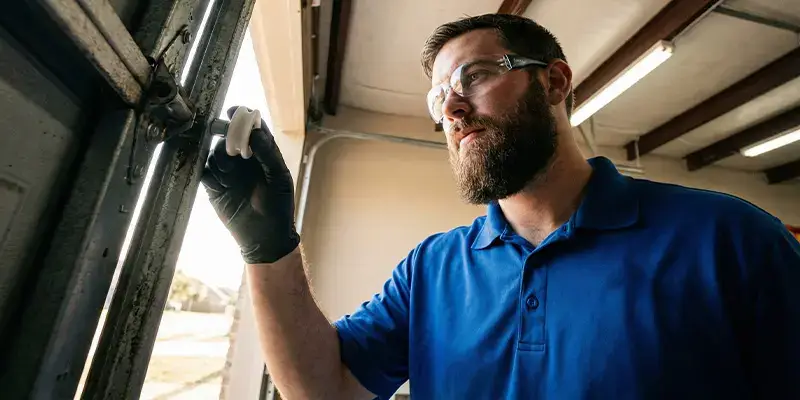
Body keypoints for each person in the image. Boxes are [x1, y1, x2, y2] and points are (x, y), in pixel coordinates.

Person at [202, 13, 800, 400]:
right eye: (440, 97)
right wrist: (267, 247)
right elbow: (323, 389)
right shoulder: (432, 269)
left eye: (476, 76)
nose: (453, 109)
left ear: (555, 83)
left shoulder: (731, 238)